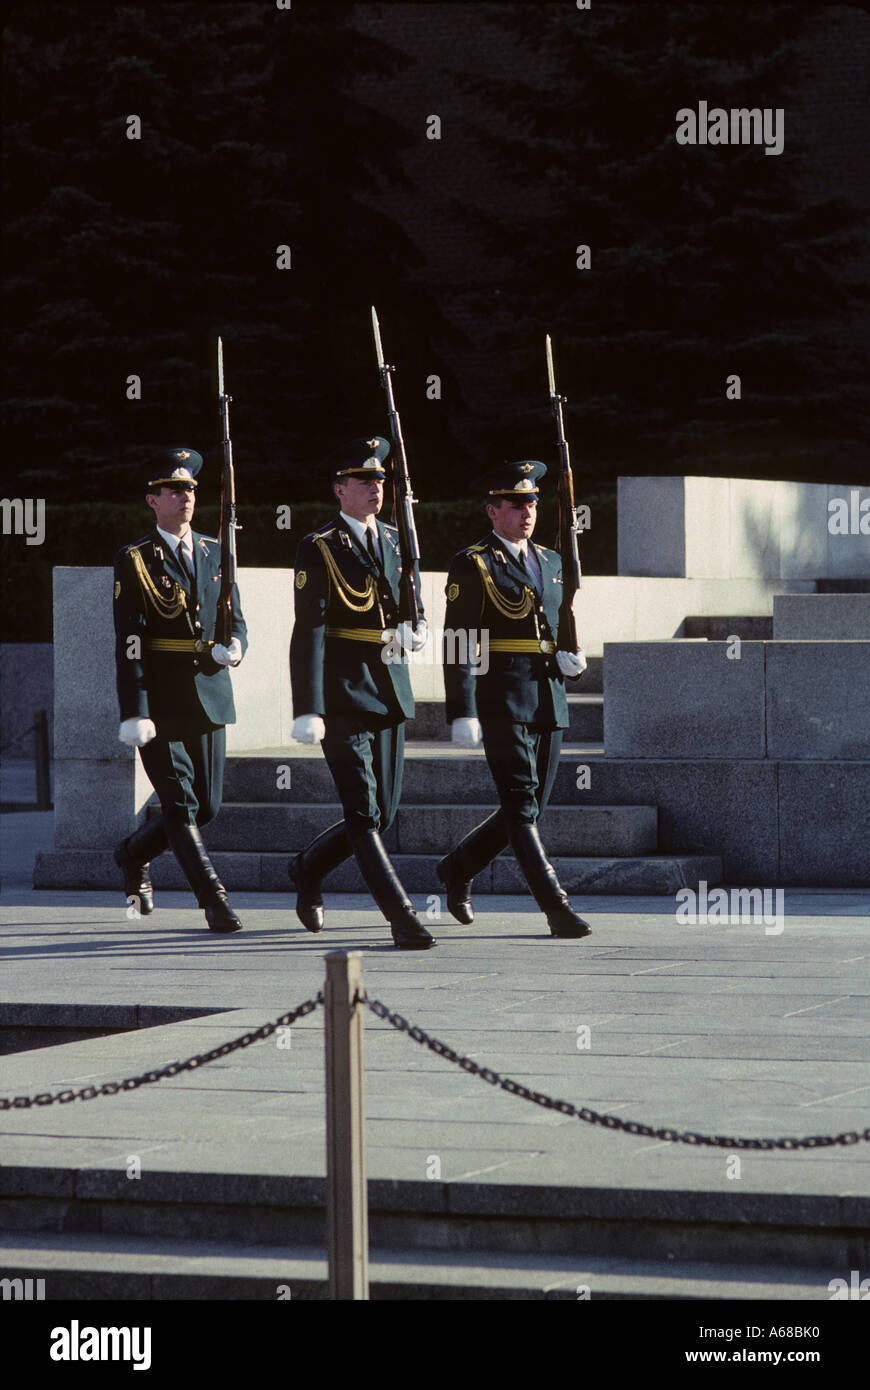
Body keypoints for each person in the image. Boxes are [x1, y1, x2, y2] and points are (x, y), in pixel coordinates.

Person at [288, 437, 435, 950]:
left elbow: (408, 601)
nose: (375, 489)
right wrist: (307, 707)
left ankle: (308, 868)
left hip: (390, 687)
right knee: (363, 813)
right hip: (343, 692)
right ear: (339, 490)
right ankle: (403, 917)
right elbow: (307, 630)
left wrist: (417, 627)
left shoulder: (397, 539)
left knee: (382, 814)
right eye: (364, 481)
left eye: (380, 481)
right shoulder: (321, 545)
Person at [438, 460, 592, 939]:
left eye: (532, 503)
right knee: (521, 803)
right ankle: (556, 907)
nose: (527, 512)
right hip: (502, 694)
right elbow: (459, 639)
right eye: (516, 504)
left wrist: (572, 654)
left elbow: (558, 620)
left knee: (527, 808)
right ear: (493, 511)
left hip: (549, 696)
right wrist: (462, 709)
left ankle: (457, 868)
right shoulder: (475, 561)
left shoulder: (551, 560)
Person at [112, 447, 247, 932]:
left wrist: (235, 645)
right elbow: (129, 641)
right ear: (153, 500)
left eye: (190, 489)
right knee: (180, 804)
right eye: (174, 490)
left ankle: (132, 853)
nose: (185, 497)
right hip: (161, 701)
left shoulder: (216, 550)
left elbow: (236, 618)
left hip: (210, 694)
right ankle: (214, 899)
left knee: (205, 808)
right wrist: (135, 709)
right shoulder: (134, 559)